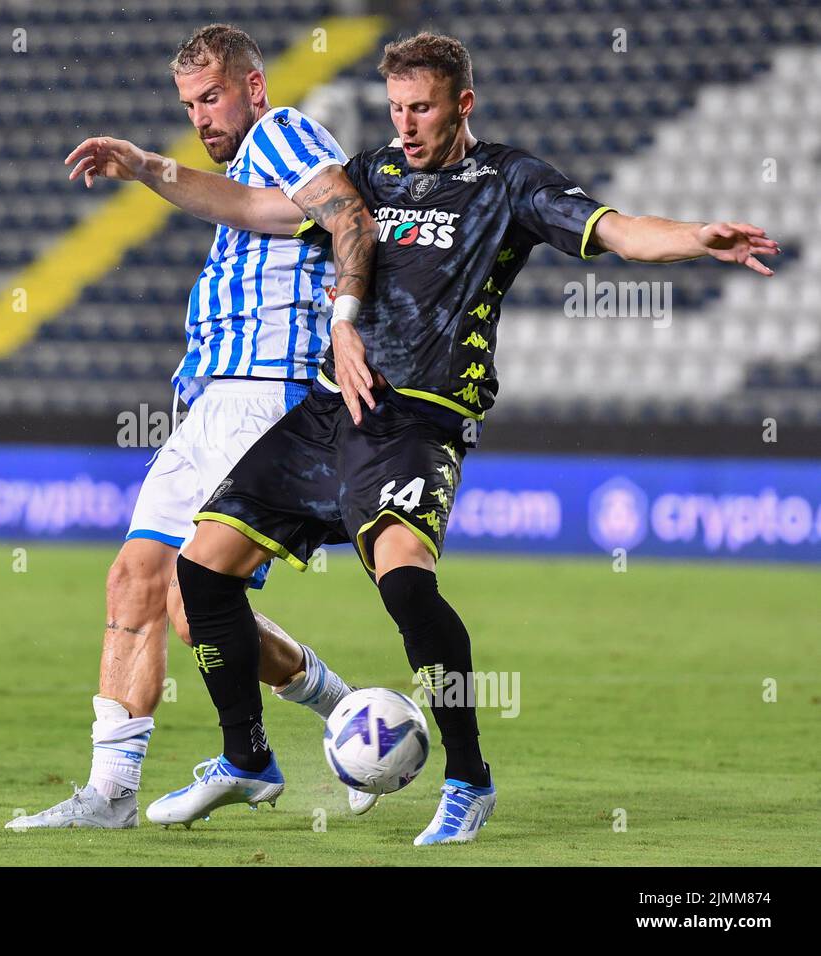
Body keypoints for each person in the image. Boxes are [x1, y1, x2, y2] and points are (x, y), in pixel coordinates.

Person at [142, 32, 779, 842]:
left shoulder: (507, 181)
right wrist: (150, 170)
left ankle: (469, 780)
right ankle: (247, 758)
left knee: (406, 587)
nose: (405, 126)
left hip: (419, 421)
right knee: (201, 569)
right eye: (397, 108)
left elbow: (616, 230)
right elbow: (263, 208)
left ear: (463, 105)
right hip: (336, 411)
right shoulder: (372, 172)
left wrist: (696, 239)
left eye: (423, 109)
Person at [7, 23, 379, 829]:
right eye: (189, 104)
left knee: (187, 594)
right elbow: (256, 209)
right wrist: (144, 164)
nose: (202, 116)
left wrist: (347, 316)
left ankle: (323, 724)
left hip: (270, 396)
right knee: (143, 581)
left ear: (254, 88)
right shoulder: (244, 177)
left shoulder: (283, 133)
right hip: (216, 402)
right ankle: (111, 793)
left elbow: (350, 214)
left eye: (212, 96)